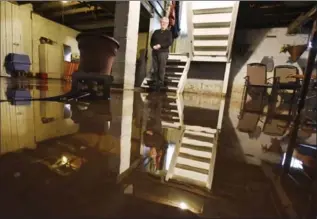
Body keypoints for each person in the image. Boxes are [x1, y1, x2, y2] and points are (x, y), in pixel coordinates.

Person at [150, 17, 173, 90]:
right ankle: (155, 82)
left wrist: (160, 45)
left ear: (167, 24)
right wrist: (153, 46)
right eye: (162, 22)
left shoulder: (169, 33)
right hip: (155, 52)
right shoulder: (156, 32)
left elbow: (169, 42)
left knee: (161, 68)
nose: (163, 24)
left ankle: (160, 82)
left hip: (163, 52)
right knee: (155, 67)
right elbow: (151, 41)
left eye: (165, 22)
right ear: (160, 22)